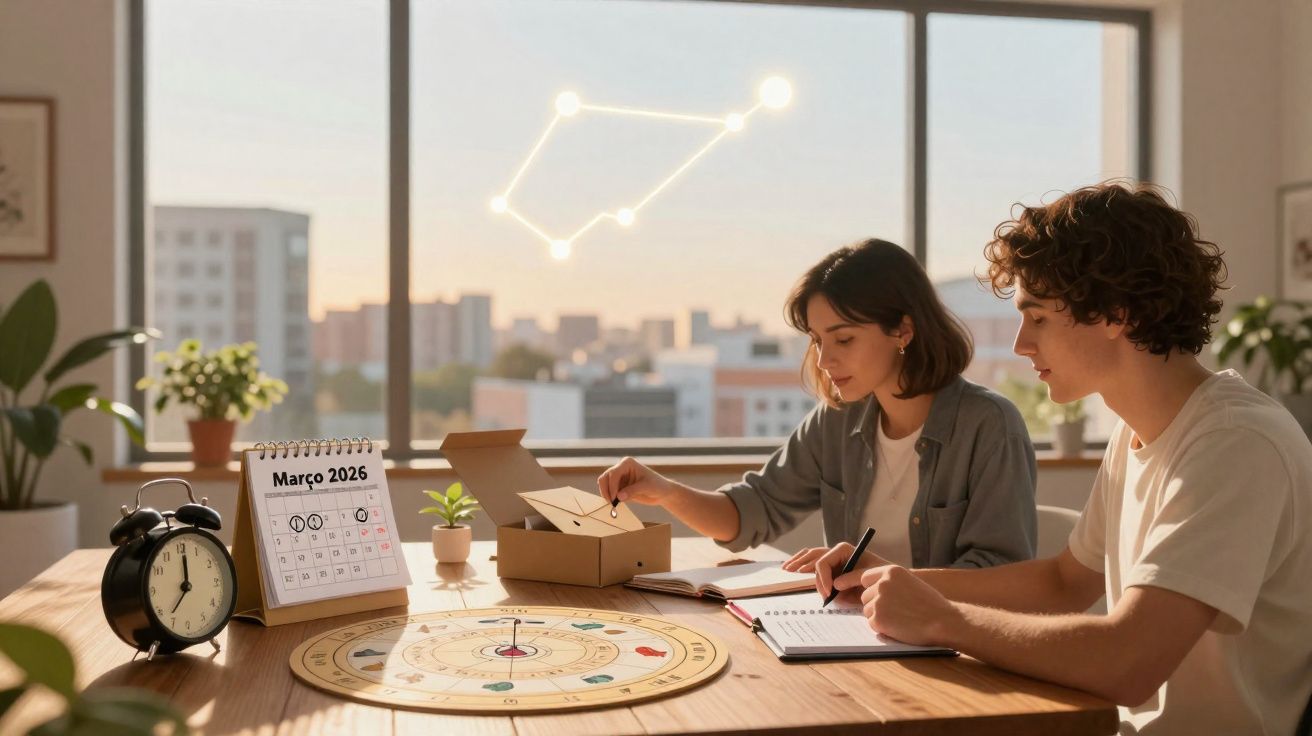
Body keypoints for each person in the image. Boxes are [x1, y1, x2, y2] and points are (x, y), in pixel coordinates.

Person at [811, 183, 1312, 736]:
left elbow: (1128, 661)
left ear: (1116, 314)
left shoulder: (1235, 443)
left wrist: (942, 619)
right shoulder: (1139, 431)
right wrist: (895, 577)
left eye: (1039, 318)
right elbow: (1063, 582)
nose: (1022, 344)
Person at [597, 238, 1037, 569]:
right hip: (852, 638)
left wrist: (880, 580)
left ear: (903, 330)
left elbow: (1005, 577)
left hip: (953, 656)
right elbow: (754, 511)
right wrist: (666, 492)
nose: (825, 361)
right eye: (817, 340)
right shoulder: (837, 422)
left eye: (843, 339)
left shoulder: (990, 427)